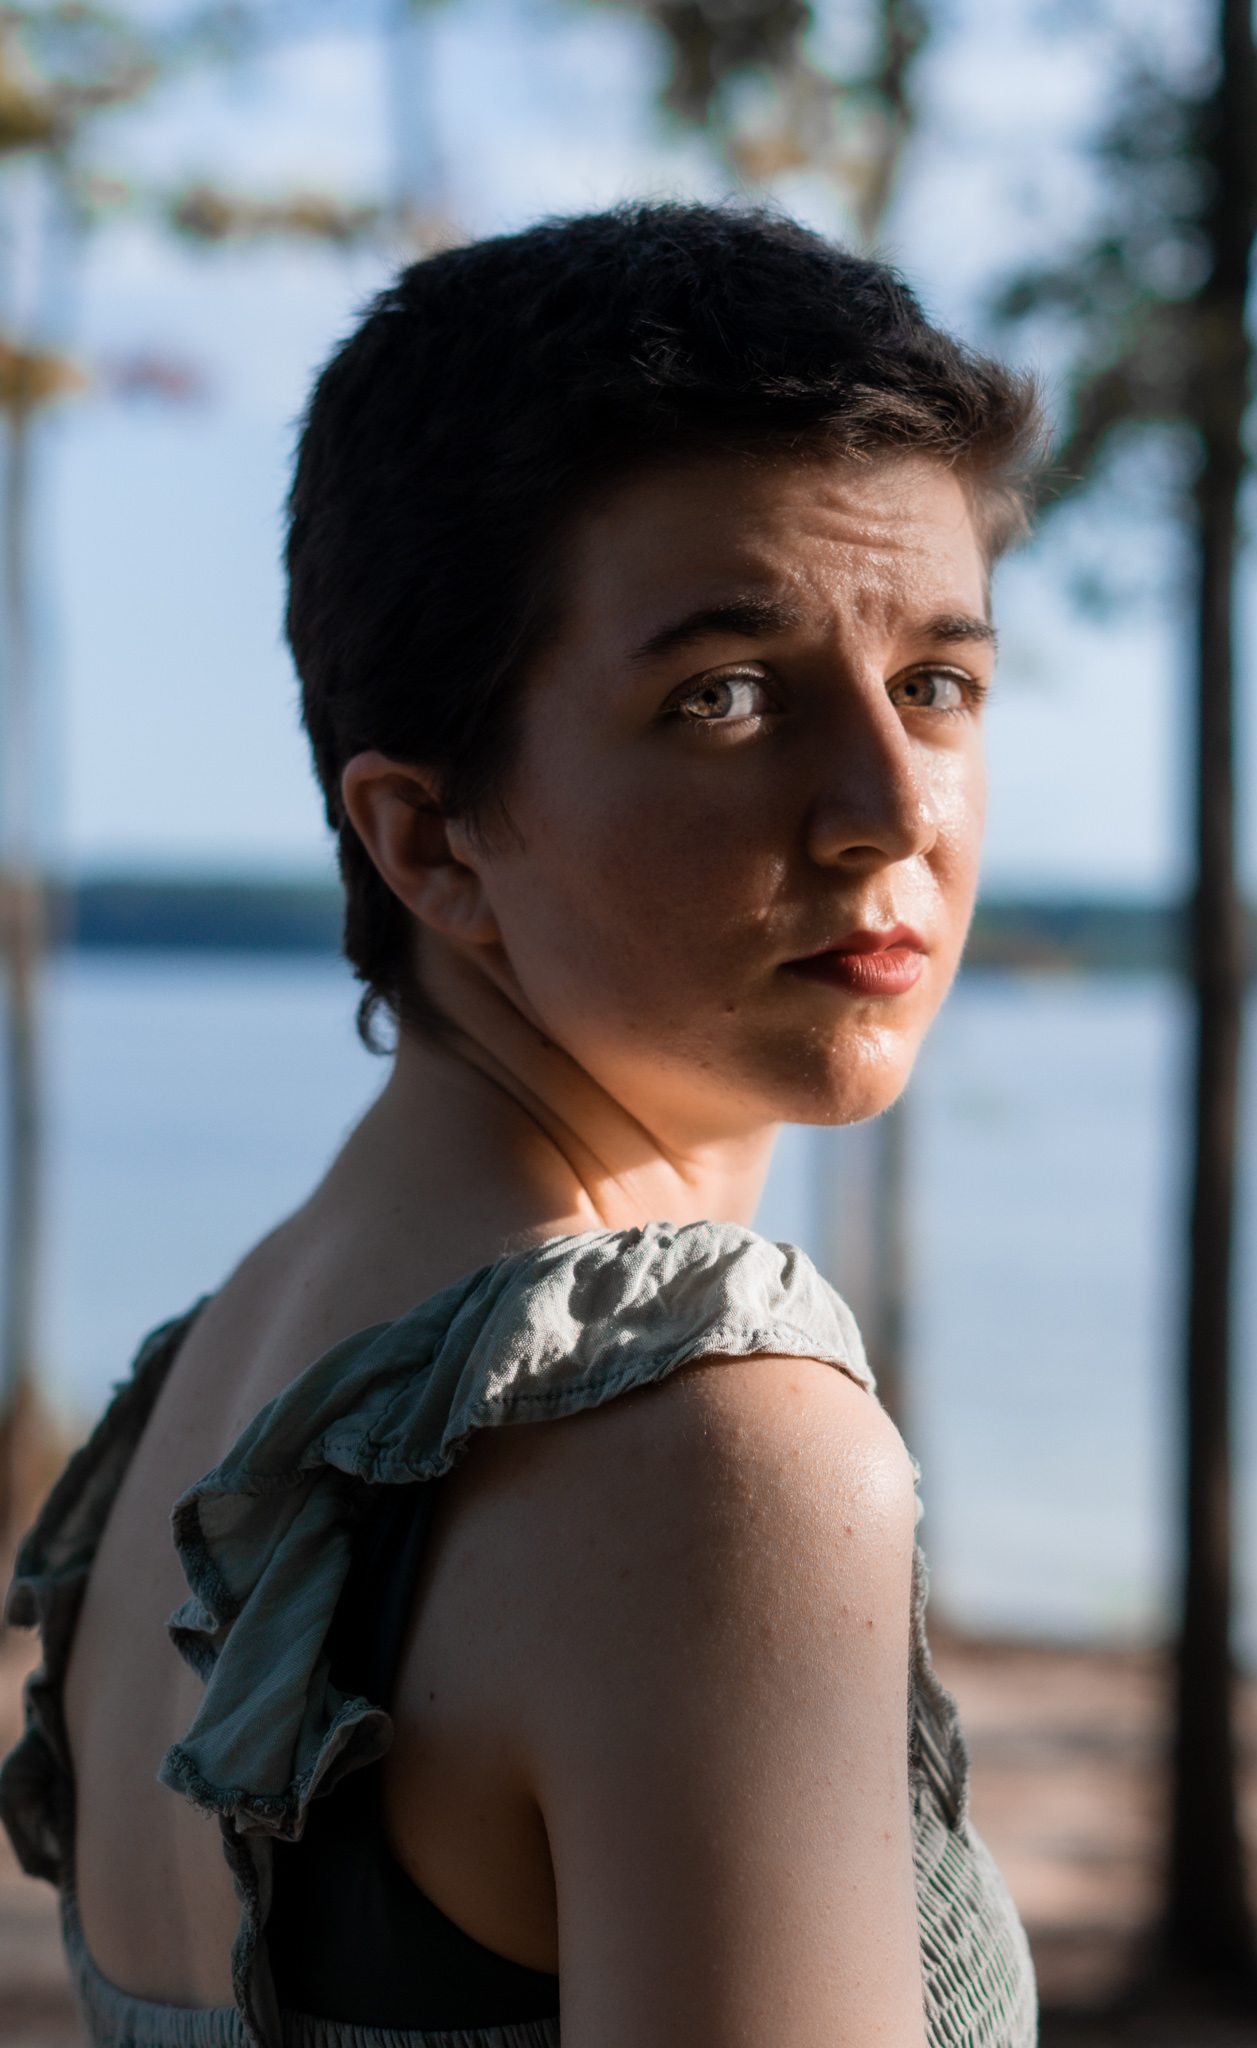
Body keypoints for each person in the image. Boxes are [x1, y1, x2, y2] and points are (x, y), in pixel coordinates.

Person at [3, 203, 1042, 2048]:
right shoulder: (714, 1453)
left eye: (936, 683)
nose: (889, 807)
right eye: (723, 695)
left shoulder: (200, 1401)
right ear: (428, 835)